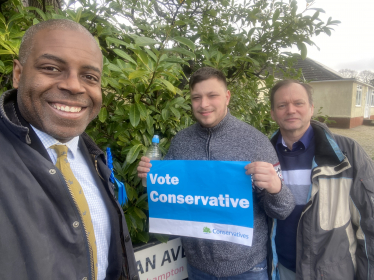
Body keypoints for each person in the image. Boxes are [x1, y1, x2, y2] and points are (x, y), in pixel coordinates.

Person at [0, 19, 138, 280]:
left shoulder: (95, 159)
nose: (74, 86)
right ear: (18, 74)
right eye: (51, 68)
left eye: (89, 77)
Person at [137, 67, 295, 279]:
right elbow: (172, 200)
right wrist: (152, 181)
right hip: (197, 268)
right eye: (196, 97)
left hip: (248, 269)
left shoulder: (255, 141)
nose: (204, 104)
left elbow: (283, 210)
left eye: (212, 95)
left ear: (227, 97)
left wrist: (276, 189)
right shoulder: (181, 142)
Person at [268, 79, 374, 280]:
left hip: (331, 274)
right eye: (282, 105)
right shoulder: (263, 155)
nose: (291, 110)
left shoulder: (346, 153)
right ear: (273, 113)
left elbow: (370, 222)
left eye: (298, 103)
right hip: (280, 270)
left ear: (311, 108)